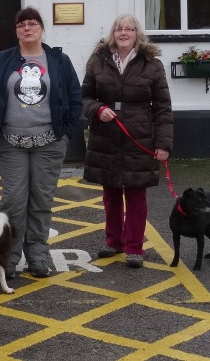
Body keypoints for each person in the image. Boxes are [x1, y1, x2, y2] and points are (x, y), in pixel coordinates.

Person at [0, 6, 82, 279]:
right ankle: (9, 258)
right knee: (13, 201)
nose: (27, 28)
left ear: (41, 28)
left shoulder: (59, 61)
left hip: (49, 143)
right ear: (16, 31)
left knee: (41, 201)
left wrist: (68, 132)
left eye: (33, 23)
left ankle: (37, 255)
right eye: (22, 24)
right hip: (10, 142)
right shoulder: (1, 61)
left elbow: (75, 97)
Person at [82, 14, 173, 268]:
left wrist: (163, 144)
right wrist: (98, 109)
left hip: (139, 134)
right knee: (110, 192)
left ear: (136, 34)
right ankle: (113, 241)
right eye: (119, 29)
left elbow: (163, 107)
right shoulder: (99, 61)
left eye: (129, 29)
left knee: (135, 193)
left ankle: (134, 247)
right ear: (113, 33)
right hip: (106, 136)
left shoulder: (152, 64)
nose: (124, 33)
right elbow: (85, 96)